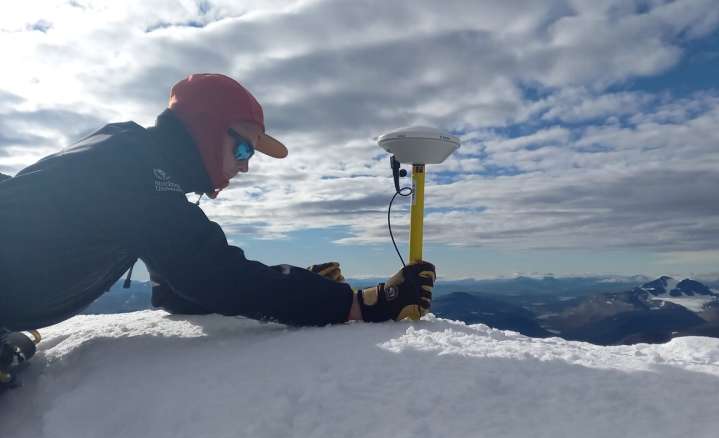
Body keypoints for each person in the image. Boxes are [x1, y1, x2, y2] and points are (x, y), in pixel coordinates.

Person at [0, 74, 435, 382]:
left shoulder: (137, 162)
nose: (245, 165)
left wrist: (303, 290)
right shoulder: (134, 172)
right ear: (206, 129)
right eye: (243, 147)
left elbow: (179, 285)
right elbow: (214, 275)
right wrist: (360, 304)